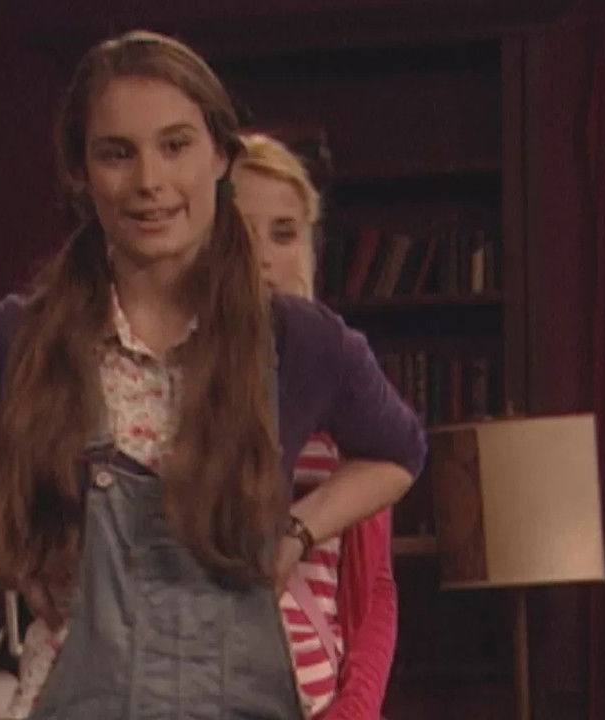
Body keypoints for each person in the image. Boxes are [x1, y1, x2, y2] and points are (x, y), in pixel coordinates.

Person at [0, 30, 425, 719]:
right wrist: (11, 549)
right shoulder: (16, 339)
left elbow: (400, 451)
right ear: (80, 171)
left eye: (175, 145)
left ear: (219, 155)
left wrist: (297, 532)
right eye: (117, 153)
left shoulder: (298, 341)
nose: (148, 182)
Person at [233, 132, 398, 719]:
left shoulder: (345, 387)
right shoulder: (163, 379)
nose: (264, 256)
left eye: (284, 233)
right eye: (240, 233)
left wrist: (354, 710)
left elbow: (376, 590)